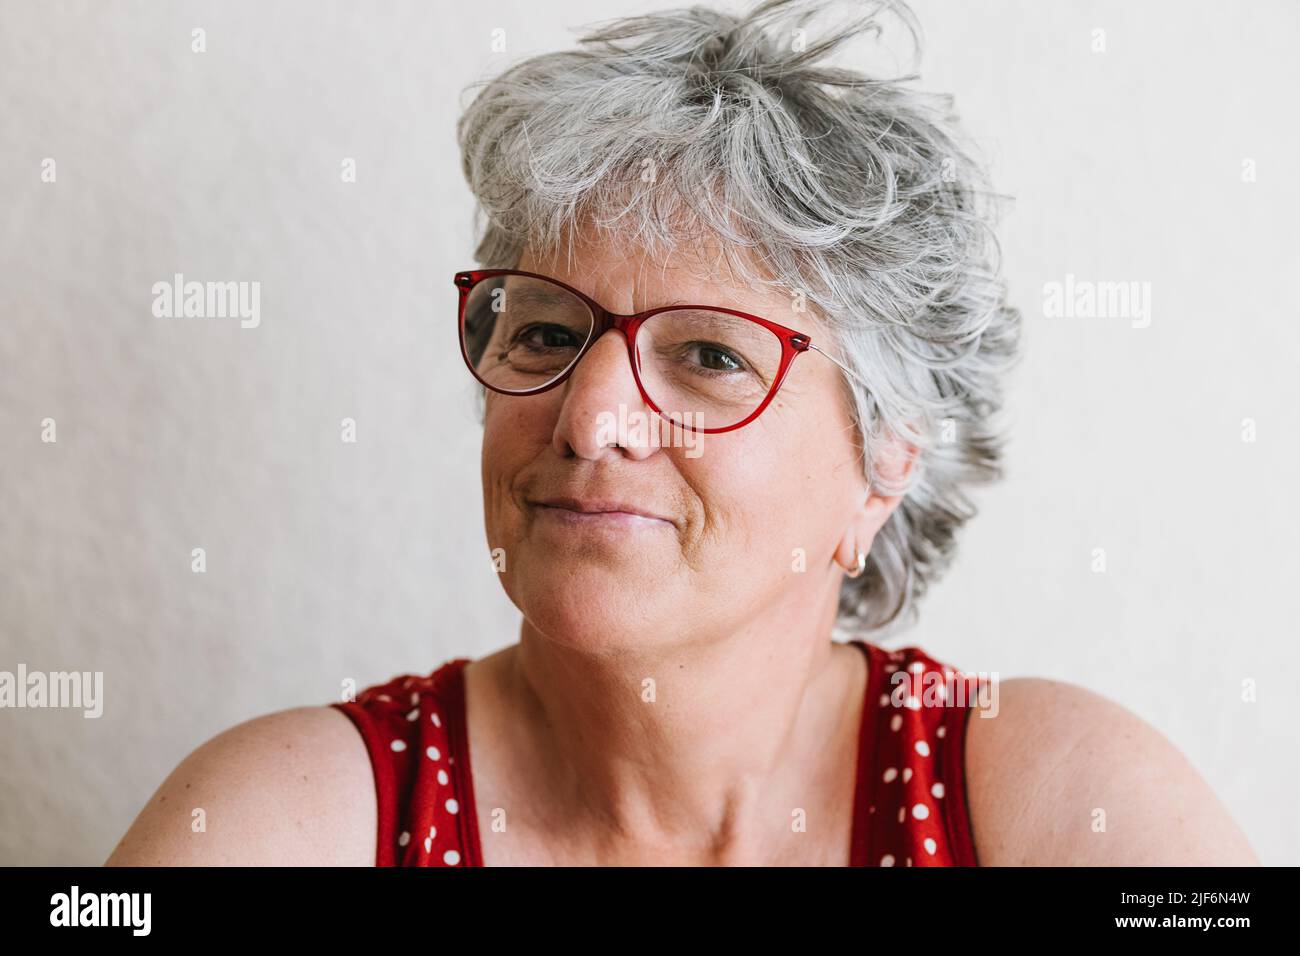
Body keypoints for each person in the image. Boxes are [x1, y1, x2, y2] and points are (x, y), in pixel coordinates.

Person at [105, 0, 1258, 867]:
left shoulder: (1054, 800)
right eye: (546, 329)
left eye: (710, 356)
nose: (591, 415)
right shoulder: (288, 820)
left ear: (885, 457)